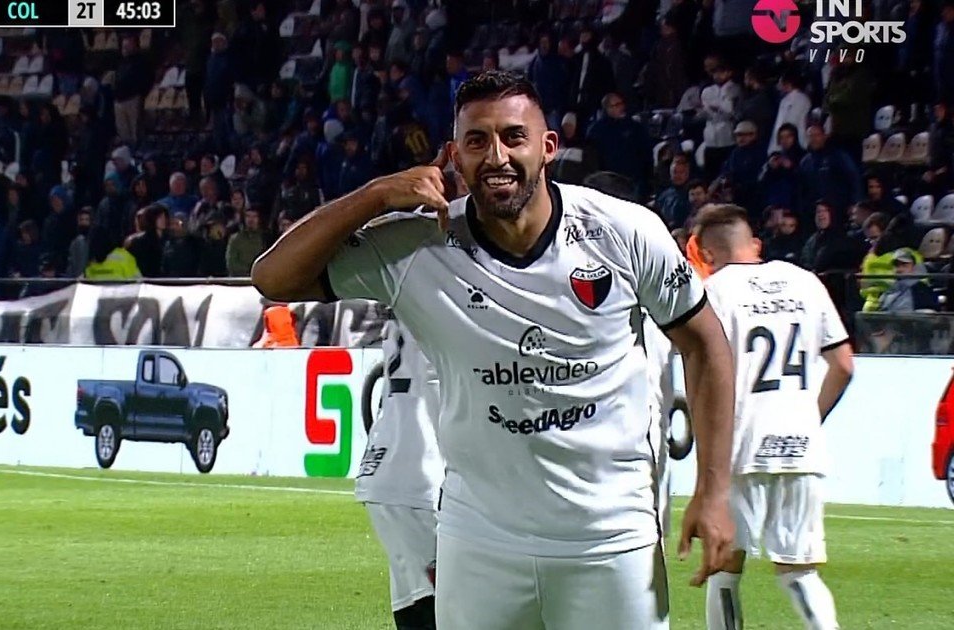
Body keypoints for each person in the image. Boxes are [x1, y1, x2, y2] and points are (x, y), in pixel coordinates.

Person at [251, 70, 737, 629]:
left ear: (547, 147)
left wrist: (714, 490)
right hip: (478, 542)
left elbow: (706, 346)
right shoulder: (417, 245)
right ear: (454, 156)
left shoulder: (625, 232)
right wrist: (377, 194)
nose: (497, 156)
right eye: (477, 141)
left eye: (513, 137)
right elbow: (274, 277)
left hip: (610, 541)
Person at [692, 204, 855, 630]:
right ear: (755, 244)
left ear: (705, 254)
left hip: (740, 447)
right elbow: (843, 364)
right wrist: (809, 417)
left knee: (724, 570)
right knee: (799, 572)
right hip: (801, 446)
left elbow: (703, 371)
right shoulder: (806, 282)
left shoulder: (713, 291)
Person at [355, 314, 443, 630]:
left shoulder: (411, 307)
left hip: (386, 473)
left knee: (414, 608)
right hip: (424, 482)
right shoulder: (448, 315)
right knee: (451, 608)